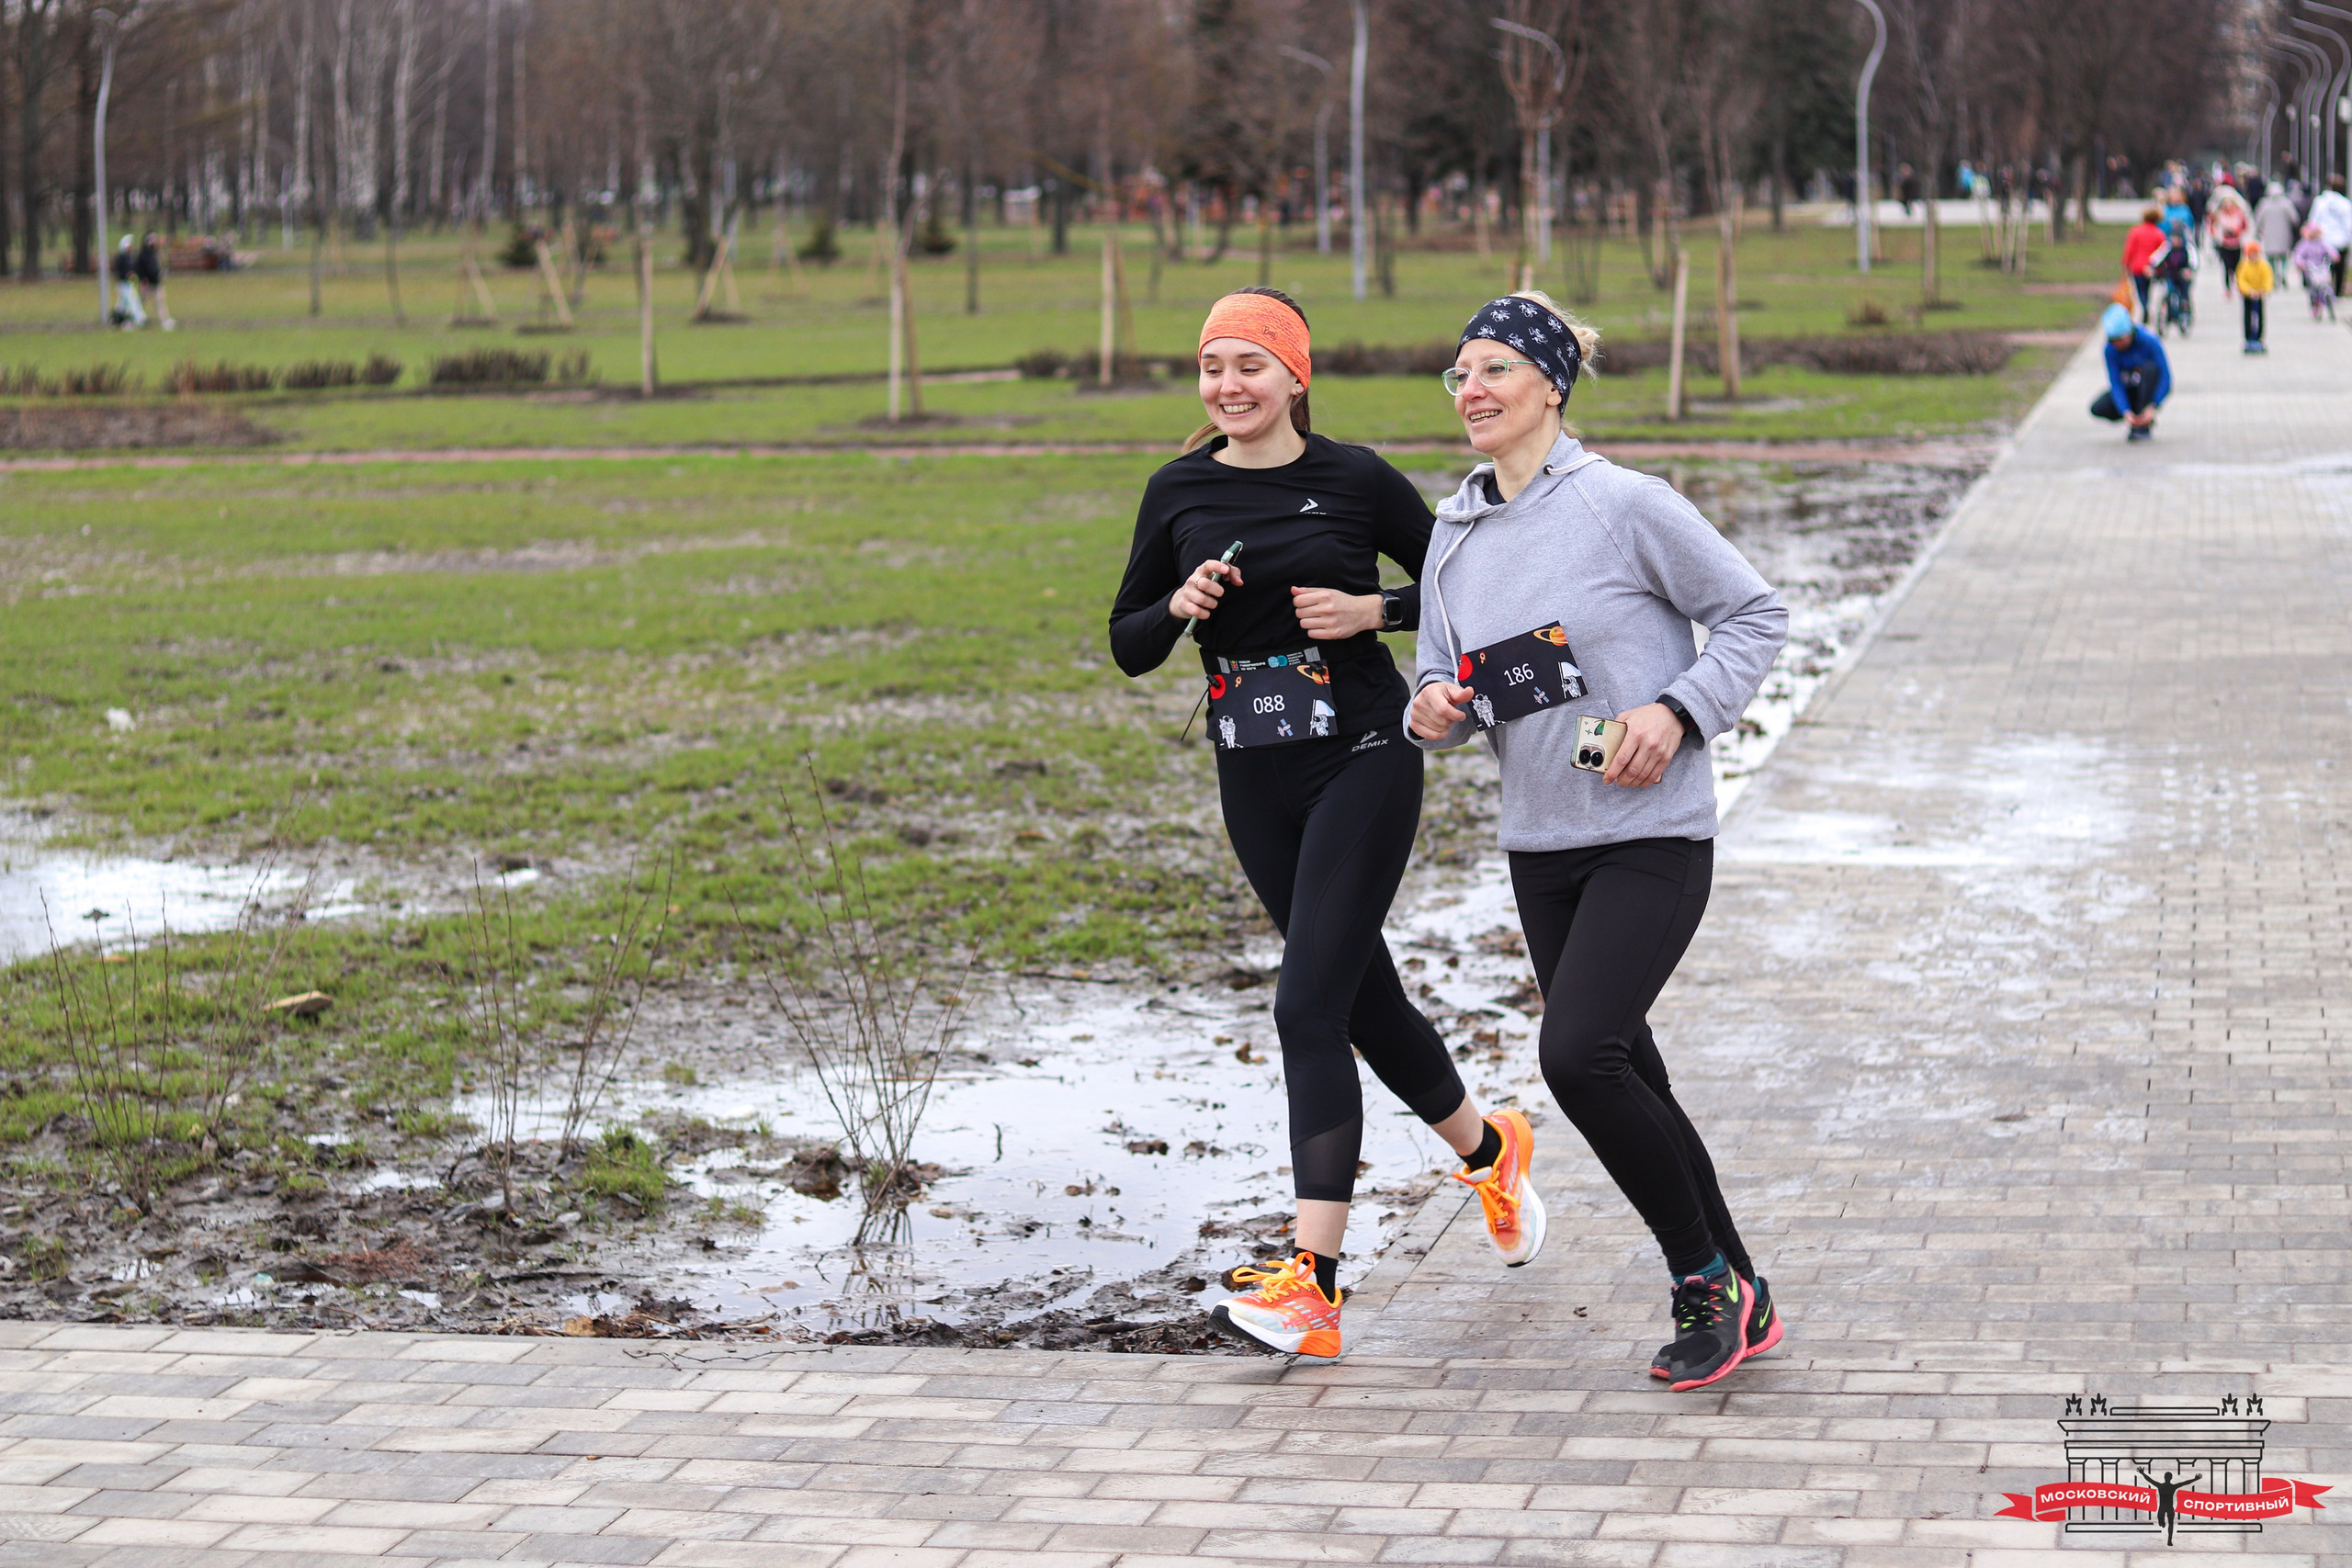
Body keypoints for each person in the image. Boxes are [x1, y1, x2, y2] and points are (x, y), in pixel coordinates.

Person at [1108, 286, 1545, 1361]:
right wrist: (1177, 608)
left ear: (1294, 377)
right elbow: (1124, 642)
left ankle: (1314, 1284)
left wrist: (1370, 613)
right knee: (1356, 996)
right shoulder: (1177, 490)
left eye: (1249, 366)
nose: (1228, 387)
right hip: (1252, 770)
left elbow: (1463, 584)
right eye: (1211, 368)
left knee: (1305, 1001)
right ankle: (1491, 1152)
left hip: (1363, 750)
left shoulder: (1351, 479)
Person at [1408, 290, 1789, 1393]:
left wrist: (1676, 711)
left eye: (1493, 371)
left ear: (1550, 387)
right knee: (1630, 1067)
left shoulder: (1625, 504)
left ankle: (1699, 1280)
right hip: (1539, 841)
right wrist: (1429, 707)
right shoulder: (1454, 534)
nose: (1471, 392)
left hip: (1648, 832)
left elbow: (1755, 613)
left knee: (1577, 1058)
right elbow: (1442, 680)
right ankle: (1743, 1285)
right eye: (1459, 374)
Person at [2092, 303, 2171, 437]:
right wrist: (2125, 411)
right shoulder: (2110, 350)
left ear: (2129, 332)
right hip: (2130, 386)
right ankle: (2135, 418)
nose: (2117, 344)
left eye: (2120, 340)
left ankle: (2143, 423)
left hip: (2148, 386)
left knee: (2150, 370)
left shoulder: (2150, 342)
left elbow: (2166, 378)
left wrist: (2154, 406)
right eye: (2113, 341)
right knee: (2098, 407)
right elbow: (2115, 382)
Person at [2310, 174, 2352, 299]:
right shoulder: (2345, 203)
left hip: (2324, 240)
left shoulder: (2320, 201)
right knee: (2340, 268)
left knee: (2324, 268)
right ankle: (2337, 293)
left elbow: (2313, 220)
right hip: (2341, 241)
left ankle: (2324, 292)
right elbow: (2349, 224)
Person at [2121, 206, 2166, 321]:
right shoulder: (2159, 233)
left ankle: (2144, 306)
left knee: (2141, 290)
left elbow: (2129, 250)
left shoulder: (2136, 232)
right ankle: (2147, 305)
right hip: (2151, 267)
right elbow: (2163, 251)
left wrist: (2126, 264)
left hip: (2137, 267)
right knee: (2148, 289)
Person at [2207, 185, 2250, 295]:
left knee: (2237, 266)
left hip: (2236, 243)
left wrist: (2236, 230)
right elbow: (2211, 224)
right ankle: (2227, 288)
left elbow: (2245, 226)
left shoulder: (2239, 213)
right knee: (2226, 266)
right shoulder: (2219, 214)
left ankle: (2238, 284)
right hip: (2224, 243)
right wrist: (2215, 234)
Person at [2292, 223, 2335, 321]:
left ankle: (2330, 303)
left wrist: (2333, 256)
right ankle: (2314, 303)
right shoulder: (2304, 244)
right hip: (2311, 270)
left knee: (2327, 285)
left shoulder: (2322, 243)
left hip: (2322, 268)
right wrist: (2301, 263)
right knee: (2313, 289)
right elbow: (2298, 256)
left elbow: (2330, 250)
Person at [132, 233, 175, 332]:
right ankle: (135, 319)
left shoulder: (155, 253)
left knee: (160, 302)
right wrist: (143, 279)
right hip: (146, 283)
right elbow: (139, 269)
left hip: (156, 282)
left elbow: (156, 267)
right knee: (140, 302)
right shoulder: (143, 255)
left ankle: (164, 320)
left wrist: (160, 274)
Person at [2237, 240, 2274, 353]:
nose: (2253, 256)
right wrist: (2248, 291)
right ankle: (2248, 338)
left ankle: (2259, 338)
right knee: (2247, 316)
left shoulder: (2263, 265)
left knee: (2260, 317)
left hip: (2260, 294)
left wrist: (2264, 290)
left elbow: (2268, 278)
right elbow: (2241, 280)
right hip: (2248, 295)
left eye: (2255, 253)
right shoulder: (2244, 265)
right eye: (2251, 253)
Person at [2254, 180, 2300, 263]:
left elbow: (2258, 220)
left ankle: (2272, 274)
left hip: (2269, 237)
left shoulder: (2264, 204)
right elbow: (2295, 219)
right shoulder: (2287, 203)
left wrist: (2257, 234)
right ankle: (2283, 275)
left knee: (2270, 260)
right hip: (2284, 236)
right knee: (2284, 259)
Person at [108, 235, 145, 328]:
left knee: (122, 304)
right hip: (123, 283)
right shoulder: (121, 258)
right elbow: (120, 271)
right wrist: (127, 275)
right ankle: (139, 319)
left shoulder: (129, 257)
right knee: (132, 300)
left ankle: (115, 319)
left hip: (128, 283)